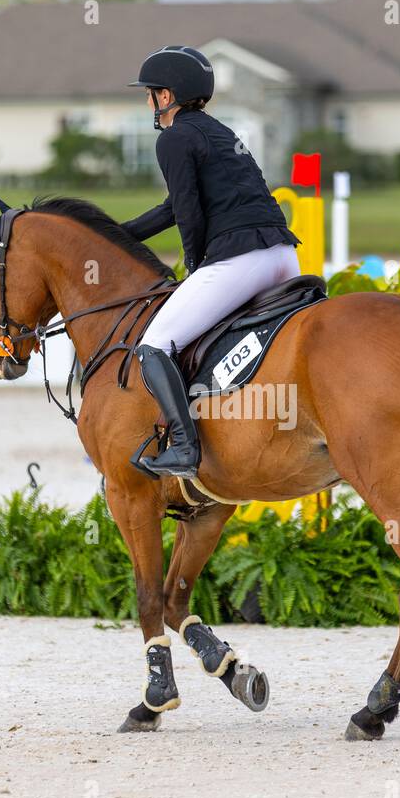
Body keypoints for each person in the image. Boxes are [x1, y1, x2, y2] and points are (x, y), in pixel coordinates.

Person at [121, 45, 301, 479]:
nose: (147, 102)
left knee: (154, 343)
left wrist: (193, 263)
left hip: (241, 260)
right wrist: (116, 235)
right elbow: (173, 206)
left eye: (150, 93)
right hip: (283, 256)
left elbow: (187, 213)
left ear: (166, 97)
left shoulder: (174, 137)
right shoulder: (219, 132)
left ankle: (184, 446)